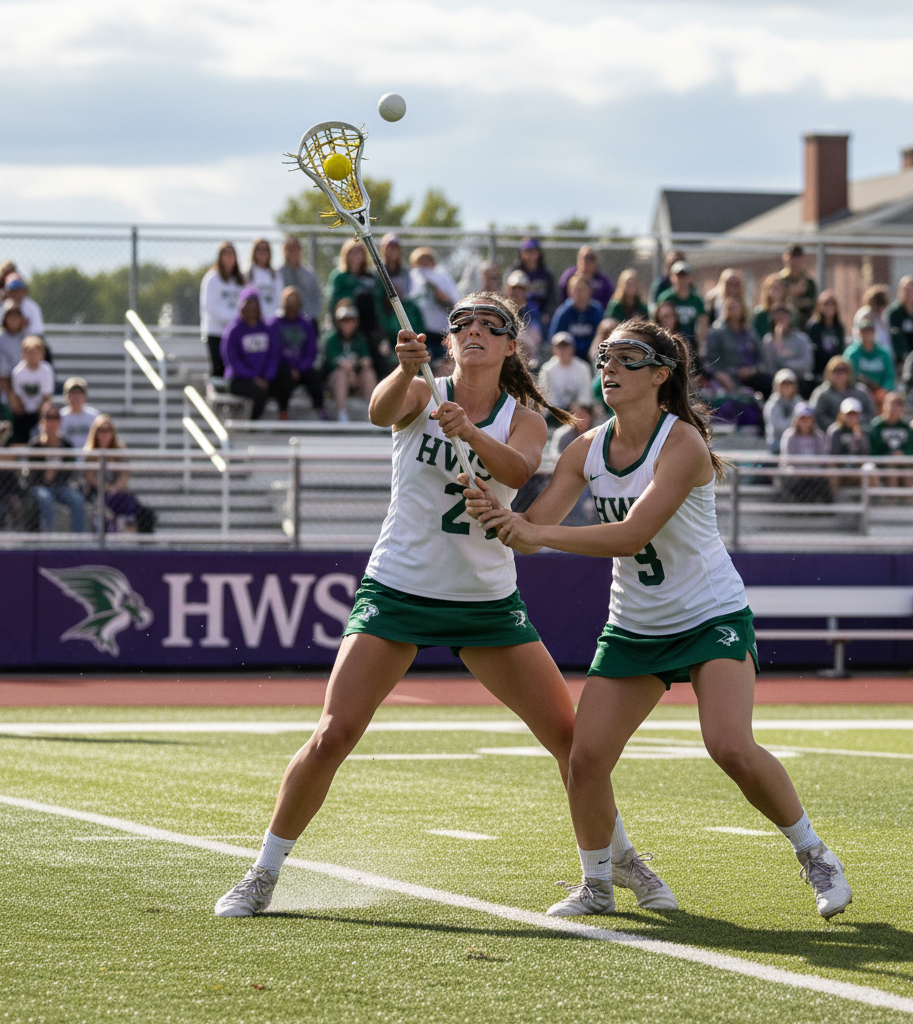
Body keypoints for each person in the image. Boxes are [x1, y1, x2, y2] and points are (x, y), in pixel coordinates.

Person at [214, 293, 591, 919]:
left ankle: (610, 861)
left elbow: (520, 472)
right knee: (334, 733)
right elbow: (378, 411)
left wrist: (468, 430)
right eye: (461, 323)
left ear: (507, 346)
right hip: (400, 589)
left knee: (570, 739)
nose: (473, 331)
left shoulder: (523, 417)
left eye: (489, 326)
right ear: (448, 341)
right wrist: (405, 368)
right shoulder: (420, 391)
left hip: (484, 599)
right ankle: (263, 873)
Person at [467, 317, 851, 921]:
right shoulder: (587, 448)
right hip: (636, 625)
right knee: (586, 759)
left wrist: (536, 530)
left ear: (660, 374)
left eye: (625, 358)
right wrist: (499, 513)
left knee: (729, 745)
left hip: (708, 615)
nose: (609, 368)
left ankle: (814, 854)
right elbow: (530, 534)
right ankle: (597, 884)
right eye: (604, 357)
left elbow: (631, 535)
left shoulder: (682, 445)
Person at [83, 414, 153, 533]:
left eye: (108, 430)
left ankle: (131, 539)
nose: (104, 433)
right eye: (101, 430)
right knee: (104, 508)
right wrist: (106, 488)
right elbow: (89, 477)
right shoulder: (90, 453)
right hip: (96, 493)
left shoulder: (119, 451)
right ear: (95, 433)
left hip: (116, 492)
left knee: (131, 506)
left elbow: (124, 475)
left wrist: (114, 488)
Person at [220, 286, 280, 420]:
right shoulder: (234, 331)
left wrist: (266, 377)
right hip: (240, 379)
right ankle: (250, 424)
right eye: (248, 304)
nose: (251, 309)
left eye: (255, 305)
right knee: (258, 393)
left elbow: (273, 355)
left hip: (264, 378)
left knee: (281, 383)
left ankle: (283, 416)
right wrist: (254, 378)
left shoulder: (267, 329)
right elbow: (232, 360)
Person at [26, 402, 85, 533]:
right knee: (45, 498)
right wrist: (49, 471)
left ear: (60, 421)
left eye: (55, 418)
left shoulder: (67, 445)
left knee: (77, 500)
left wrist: (56, 471)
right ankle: (48, 539)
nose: (52, 422)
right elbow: (33, 477)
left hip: (61, 486)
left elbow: (70, 473)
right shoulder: (35, 446)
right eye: (48, 417)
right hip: (40, 487)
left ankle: (79, 540)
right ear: (42, 420)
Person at [269, 286, 325, 420]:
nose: (292, 303)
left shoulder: (307, 324)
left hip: (302, 367)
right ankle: (283, 412)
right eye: (289, 300)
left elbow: (311, 350)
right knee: (283, 377)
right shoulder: (274, 324)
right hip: (284, 368)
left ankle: (320, 410)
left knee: (314, 376)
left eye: (295, 299)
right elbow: (274, 351)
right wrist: (290, 368)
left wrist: (299, 368)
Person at [703, 296, 771, 396]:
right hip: (728, 375)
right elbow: (709, 361)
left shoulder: (750, 332)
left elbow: (762, 359)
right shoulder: (717, 331)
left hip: (751, 375)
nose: (734, 310)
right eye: (731, 307)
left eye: (737, 307)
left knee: (769, 384)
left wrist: (752, 371)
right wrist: (721, 375)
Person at [322, 301, 377, 422]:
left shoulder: (360, 339)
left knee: (369, 373)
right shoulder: (331, 339)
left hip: (356, 379)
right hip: (336, 381)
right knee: (341, 374)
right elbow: (331, 362)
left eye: (351, 320)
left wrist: (354, 368)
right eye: (344, 321)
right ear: (338, 322)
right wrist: (349, 370)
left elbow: (367, 360)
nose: (348, 324)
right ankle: (342, 414)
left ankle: (372, 413)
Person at [408, 247, 461, 363]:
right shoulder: (410, 278)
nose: (425, 264)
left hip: (441, 334)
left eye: (428, 260)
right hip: (420, 333)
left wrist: (439, 295)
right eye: (421, 261)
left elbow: (454, 301)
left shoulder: (442, 277)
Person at [200, 242, 244, 378]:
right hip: (216, 332)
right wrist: (232, 321)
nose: (229, 258)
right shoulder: (212, 278)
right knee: (218, 369)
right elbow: (210, 306)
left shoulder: (239, 280)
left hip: (235, 333)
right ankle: (215, 398)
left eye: (232, 254)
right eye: (225, 254)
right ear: (219, 257)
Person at [328, 239, 381, 345]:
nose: (356, 255)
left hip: (368, 323)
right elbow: (332, 301)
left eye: (359, 252)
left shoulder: (371, 277)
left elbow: (378, 301)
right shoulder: (339, 276)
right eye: (352, 252)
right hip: (348, 318)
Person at [778, 401, 831, 503]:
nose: (806, 421)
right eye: (802, 418)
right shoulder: (789, 436)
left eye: (808, 418)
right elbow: (788, 459)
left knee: (822, 481)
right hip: (795, 474)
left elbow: (821, 458)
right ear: (796, 420)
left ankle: (826, 509)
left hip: (813, 473)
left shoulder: (818, 436)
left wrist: (811, 469)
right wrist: (803, 470)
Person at [809, 356, 876, 432]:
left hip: (858, 433)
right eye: (835, 370)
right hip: (829, 436)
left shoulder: (861, 392)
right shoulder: (821, 393)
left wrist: (855, 422)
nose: (839, 374)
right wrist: (838, 426)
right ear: (828, 372)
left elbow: (871, 414)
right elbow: (816, 416)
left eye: (843, 370)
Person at [9, 336, 54, 444]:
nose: (31, 356)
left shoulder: (46, 370)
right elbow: (16, 398)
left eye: (35, 352)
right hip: (22, 411)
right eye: (28, 352)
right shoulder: (17, 372)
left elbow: (46, 398)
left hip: (39, 412)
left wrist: (41, 417)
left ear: (41, 353)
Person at [654, 261, 706, 352]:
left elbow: (703, 323)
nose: (682, 280)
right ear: (672, 278)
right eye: (678, 276)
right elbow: (659, 320)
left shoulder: (697, 301)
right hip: (670, 338)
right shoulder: (665, 297)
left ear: (690, 278)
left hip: (691, 341)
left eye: (685, 276)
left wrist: (700, 344)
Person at [549, 275, 604, 361]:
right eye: (575, 290)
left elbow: (602, 335)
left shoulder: (596, 311)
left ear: (589, 291)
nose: (579, 294)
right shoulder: (564, 312)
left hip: (591, 356)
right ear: (569, 292)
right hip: (569, 358)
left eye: (582, 289)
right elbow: (554, 337)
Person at [538, 332, 593, 415]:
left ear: (572, 348)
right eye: (559, 347)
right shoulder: (547, 370)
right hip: (555, 414)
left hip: (580, 412)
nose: (563, 350)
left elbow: (586, 394)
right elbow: (547, 396)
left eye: (566, 347)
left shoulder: (583, 367)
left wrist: (578, 406)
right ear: (554, 349)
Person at [508, 237, 556, 326]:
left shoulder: (546, 275)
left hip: (541, 316)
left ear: (539, 253)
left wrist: (548, 313)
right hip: (519, 313)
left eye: (533, 251)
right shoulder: (514, 272)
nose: (530, 255)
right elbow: (508, 294)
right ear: (521, 253)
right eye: (527, 251)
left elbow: (552, 298)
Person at [844, 317, 896, 398]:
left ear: (874, 332)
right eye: (864, 331)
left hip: (880, 393)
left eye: (870, 331)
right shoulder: (851, 353)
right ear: (859, 333)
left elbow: (890, 376)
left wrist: (883, 390)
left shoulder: (884, 353)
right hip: (857, 393)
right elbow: (848, 377)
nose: (867, 334)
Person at [761, 305, 813, 386]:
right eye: (777, 316)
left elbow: (807, 363)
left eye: (784, 315)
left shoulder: (802, 338)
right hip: (777, 383)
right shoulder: (768, 341)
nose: (781, 319)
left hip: (800, 379)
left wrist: (785, 365)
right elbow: (769, 367)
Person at [276, 235, 323, 323]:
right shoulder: (277, 274)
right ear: (284, 251)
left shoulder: (310, 274)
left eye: (296, 248)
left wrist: (309, 317)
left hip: (307, 322)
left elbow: (317, 299)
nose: (293, 252)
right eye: (289, 248)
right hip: (283, 322)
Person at [505, 270, 543, 366]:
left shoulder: (532, 310)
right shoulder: (502, 309)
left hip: (529, 357)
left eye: (521, 288)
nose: (517, 292)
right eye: (514, 288)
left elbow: (535, 338)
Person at [804, 290, 845, 378]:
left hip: (836, 368)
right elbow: (813, 350)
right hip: (819, 370)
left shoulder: (838, 327)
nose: (829, 307)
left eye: (832, 304)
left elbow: (841, 349)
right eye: (826, 304)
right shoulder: (813, 326)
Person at [887, 276, 913, 360]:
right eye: (905, 290)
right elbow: (893, 335)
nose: (909, 293)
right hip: (901, 357)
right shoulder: (894, 313)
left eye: (911, 290)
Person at [779, 244, 817, 328]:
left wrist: (795, 299)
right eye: (791, 257)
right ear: (785, 259)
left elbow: (812, 303)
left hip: (804, 326)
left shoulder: (808, 282)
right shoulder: (779, 281)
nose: (794, 261)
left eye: (797, 258)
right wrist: (790, 293)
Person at [763, 368, 800, 455]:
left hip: (797, 442)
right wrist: (797, 424)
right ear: (777, 386)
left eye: (790, 383)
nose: (787, 386)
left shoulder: (798, 401)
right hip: (776, 445)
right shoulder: (771, 405)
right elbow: (779, 429)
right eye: (783, 383)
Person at [852, 285, 893, 358]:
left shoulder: (884, 315)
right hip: (868, 354)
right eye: (878, 305)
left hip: (884, 354)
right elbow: (859, 336)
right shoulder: (865, 314)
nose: (880, 309)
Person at [59, 377, 99, 449]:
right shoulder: (60, 416)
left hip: (88, 457)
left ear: (85, 396)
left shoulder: (93, 415)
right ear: (66, 395)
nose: (76, 396)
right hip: (67, 456)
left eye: (79, 393)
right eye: (72, 393)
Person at [246, 238, 278, 322]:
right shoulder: (247, 273)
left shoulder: (275, 274)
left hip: (271, 319)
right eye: (259, 249)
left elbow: (278, 298)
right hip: (253, 320)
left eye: (265, 250)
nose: (262, 252)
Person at [751, 274, 788, 341]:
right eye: (773, 288)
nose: (776, 291)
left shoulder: (790, 312)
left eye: (779, 288)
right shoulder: (760, 314)